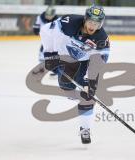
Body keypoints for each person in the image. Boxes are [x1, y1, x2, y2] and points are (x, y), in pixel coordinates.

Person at [40, 5, 110, 144]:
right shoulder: (69, 22)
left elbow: (97, 63)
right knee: (66, 86)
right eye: (91, 22)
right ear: (85, 19)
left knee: (87, 95)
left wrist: (91, 83)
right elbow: (45, 30)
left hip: (82, 61)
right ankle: (79, 95)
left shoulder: (101, 39)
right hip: (62, 56)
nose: (92, 26)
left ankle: (85, 128)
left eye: (97, 23)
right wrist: (50, 54)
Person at [32, 6, 58, 74]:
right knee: (42, 54)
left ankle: (56, 70)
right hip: (45, 40)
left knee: (54, 54)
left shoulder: (57, 21)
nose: (48, 17)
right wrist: (36, 29)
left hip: (54, 40)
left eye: (50, 15)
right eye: (47, 15)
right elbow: (36, 29)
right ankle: (41, 68)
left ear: (53, 15)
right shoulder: (40, 18)